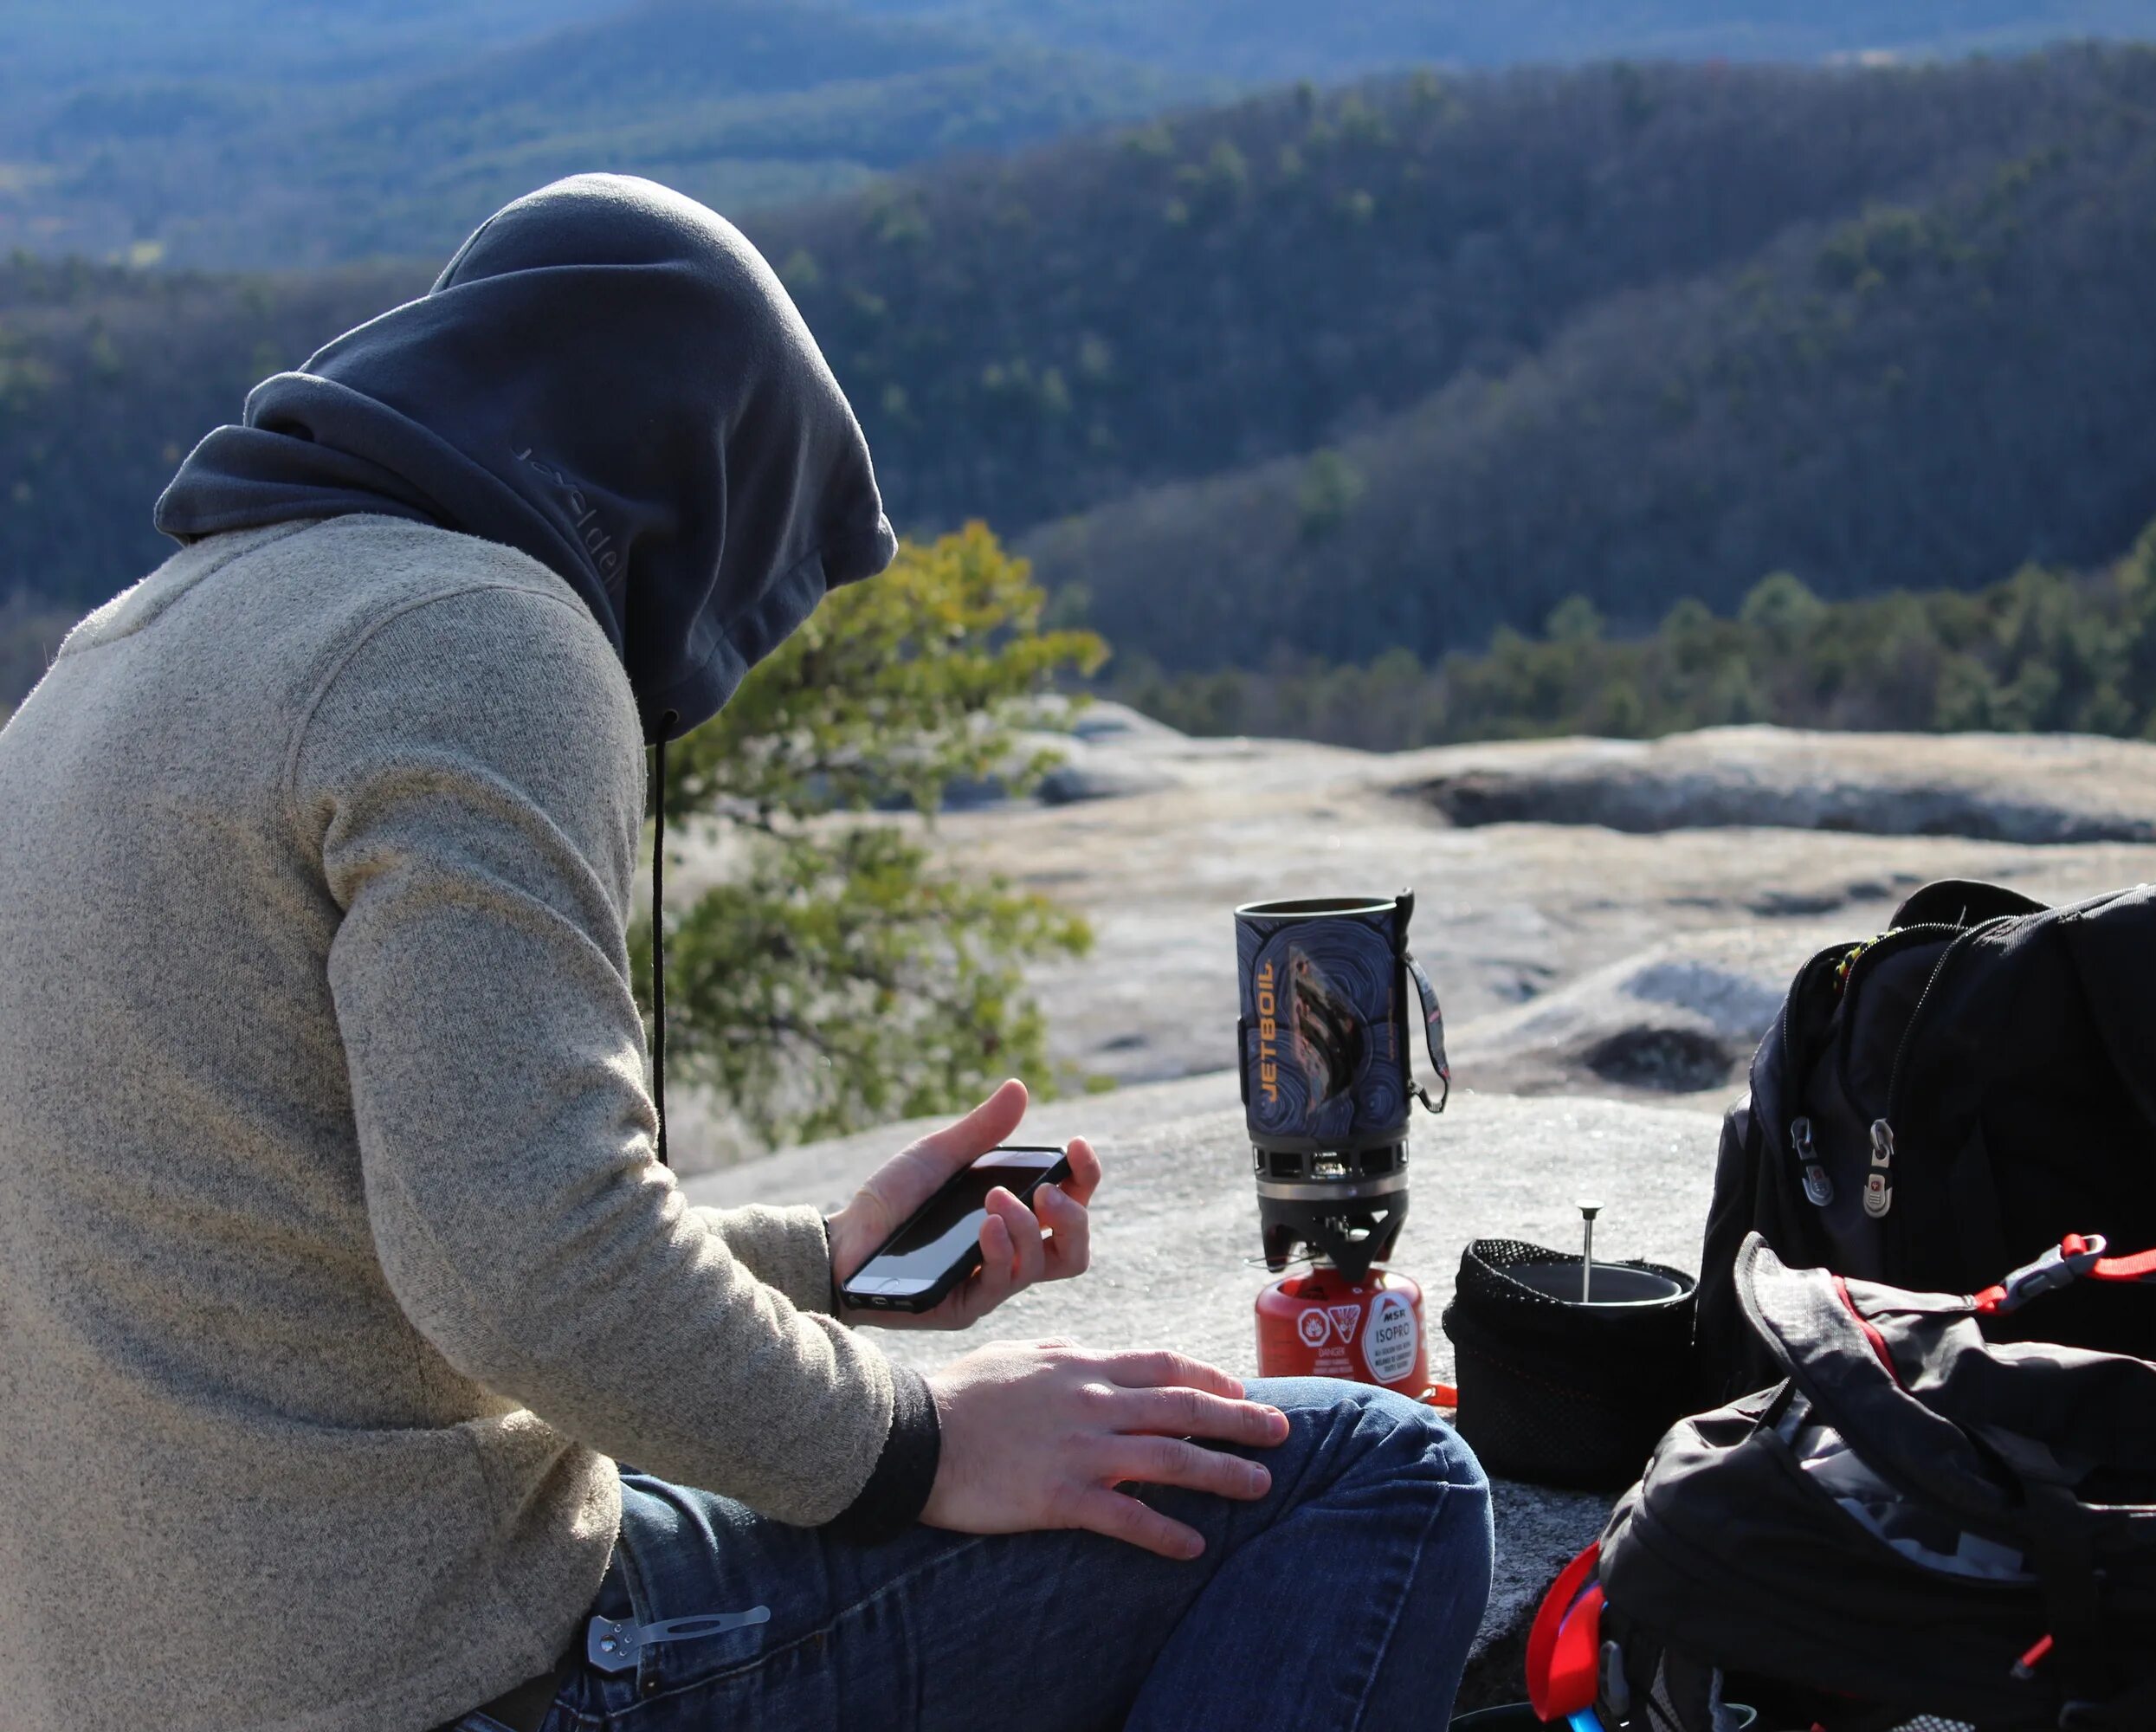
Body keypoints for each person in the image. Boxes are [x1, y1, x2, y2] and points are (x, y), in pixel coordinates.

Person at [0, 174, 1491, 1732]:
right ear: (692, 490)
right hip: (432, 1674)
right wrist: (924, 1440)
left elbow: (339, 1220)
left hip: (156, 1659)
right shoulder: (471, 634)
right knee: (1365, 1475)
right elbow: (523, 1281)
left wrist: (825, 1267)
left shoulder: (112, 659)